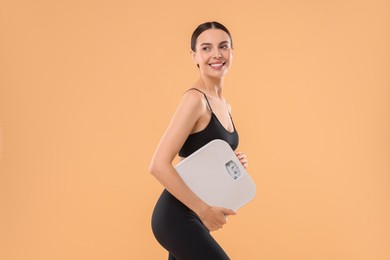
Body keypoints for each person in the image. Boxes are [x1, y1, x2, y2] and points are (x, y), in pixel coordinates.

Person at [150, 21, 248, 260]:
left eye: (223, 46)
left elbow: (200, 156)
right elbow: (158, 165)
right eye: (206, 48)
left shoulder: (225, 105)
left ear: (232, 52)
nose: (216, 54)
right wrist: (204, 211)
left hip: (195, 215)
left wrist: (231, 161)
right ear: (194, 56)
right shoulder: (195, 101)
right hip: (177, 215)